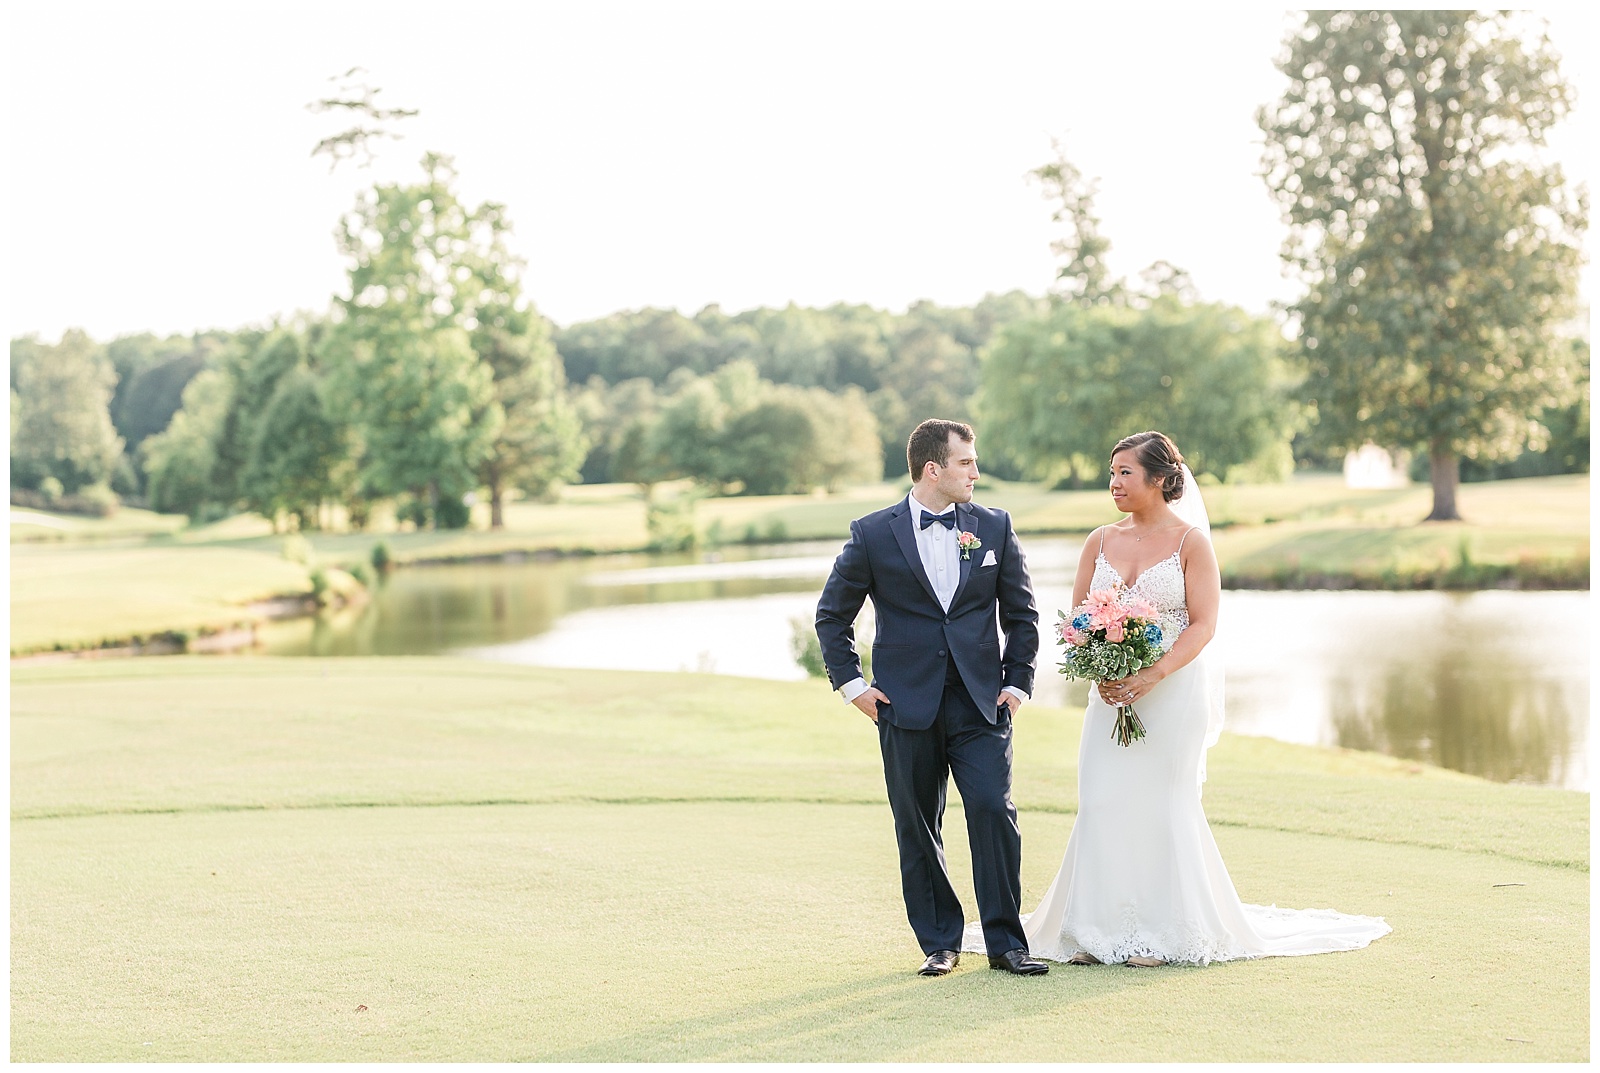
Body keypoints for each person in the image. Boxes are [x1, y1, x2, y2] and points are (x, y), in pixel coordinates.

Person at [965, 430, 1391, 966]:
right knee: (1101, 800)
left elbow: (1204, 624)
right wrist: (1096, 664)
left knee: (1161, 803)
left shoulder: (1192, 543)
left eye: (1126, 473)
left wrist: (1154, 673)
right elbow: (1076, 618)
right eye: (1112, 472)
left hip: (1173, 692)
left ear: (1161, 480)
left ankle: (1157, 936)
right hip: (1111, 694)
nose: (1114, 483)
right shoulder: (1098, 540)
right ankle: (1095, 930)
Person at [815, 419, 1047, 977]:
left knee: (993, 809)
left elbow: (1022, 615)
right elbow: (832, 616)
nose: (975, 471)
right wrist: (855, 688)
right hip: (904, 705)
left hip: (981, 703)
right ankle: (940, 941)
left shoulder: (994, 527)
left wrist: (1017, 683)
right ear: (932, 469)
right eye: (966, 462)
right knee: (917, 823)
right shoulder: (873, 533)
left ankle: (1005, 943)